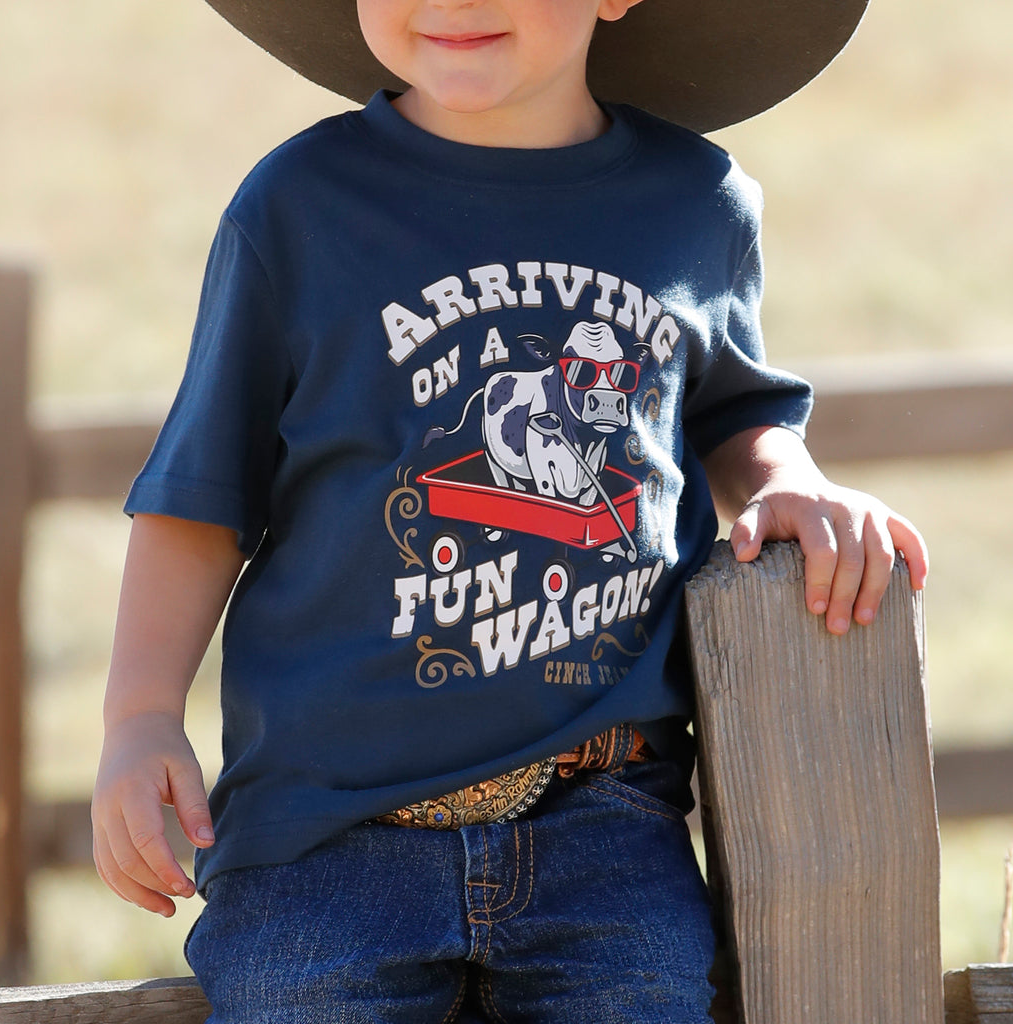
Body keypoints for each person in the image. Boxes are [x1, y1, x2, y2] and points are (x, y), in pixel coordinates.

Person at [91, 1, 929, 1021]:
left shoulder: (694, 204)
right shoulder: (299, 207)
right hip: (329, 831)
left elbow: (735, 410)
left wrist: (787, 478)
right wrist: (138, 717)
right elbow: (202, 493)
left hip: (606, 822)